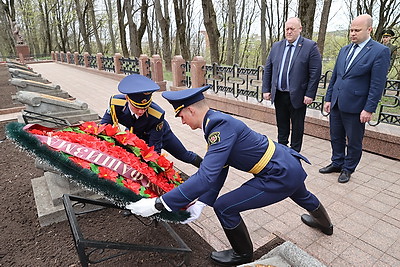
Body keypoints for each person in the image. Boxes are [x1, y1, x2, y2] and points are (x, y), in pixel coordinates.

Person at [126, 86, 333, 266]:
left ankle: (242, 254)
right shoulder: (216, 123)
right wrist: (202, 202)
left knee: (224, 207)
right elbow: (220, 168)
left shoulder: (218, 127)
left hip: (277, 174)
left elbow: (206, 176)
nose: (181, 122)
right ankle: (326, 226)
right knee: (302, 195)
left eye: (181, 116)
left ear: (190, 109)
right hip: (288, 164)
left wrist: (159, 204)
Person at [319, 14, 390, 183]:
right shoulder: (345, 49)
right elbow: (336, 76)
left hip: (357, 106)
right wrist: (328, 98)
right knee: (336, 136)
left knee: (354, 141)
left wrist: (369, 108)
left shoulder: (380, 51)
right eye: (351, 30)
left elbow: (377, 84)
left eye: (357, 30)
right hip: (337, 102)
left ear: (369, 30)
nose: (353, 33)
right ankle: (337, 162)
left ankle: (348, 168)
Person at [101, 74, 202, 168]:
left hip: (160, 135)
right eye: (137, 107)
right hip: (134, 133)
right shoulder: (116, 104)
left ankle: (207, 168)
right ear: (127, 98)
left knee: (184, 155)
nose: (141, 111)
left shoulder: (157, 115)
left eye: (145, 108)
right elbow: (103, 128)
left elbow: (155, 150)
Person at [262, 17, 322, 152]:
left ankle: (295, 154)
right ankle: (282, 152)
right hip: (279, 94)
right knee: (281, 126)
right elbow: (269, 69)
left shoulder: (310, 46)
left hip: (299, 96)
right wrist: (266, 89)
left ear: (299, 29)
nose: (289, 32)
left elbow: (315, 72)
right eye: (286, 29)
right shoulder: (277, 46)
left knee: (297, 127)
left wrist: (310, 94)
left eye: (292, 29)